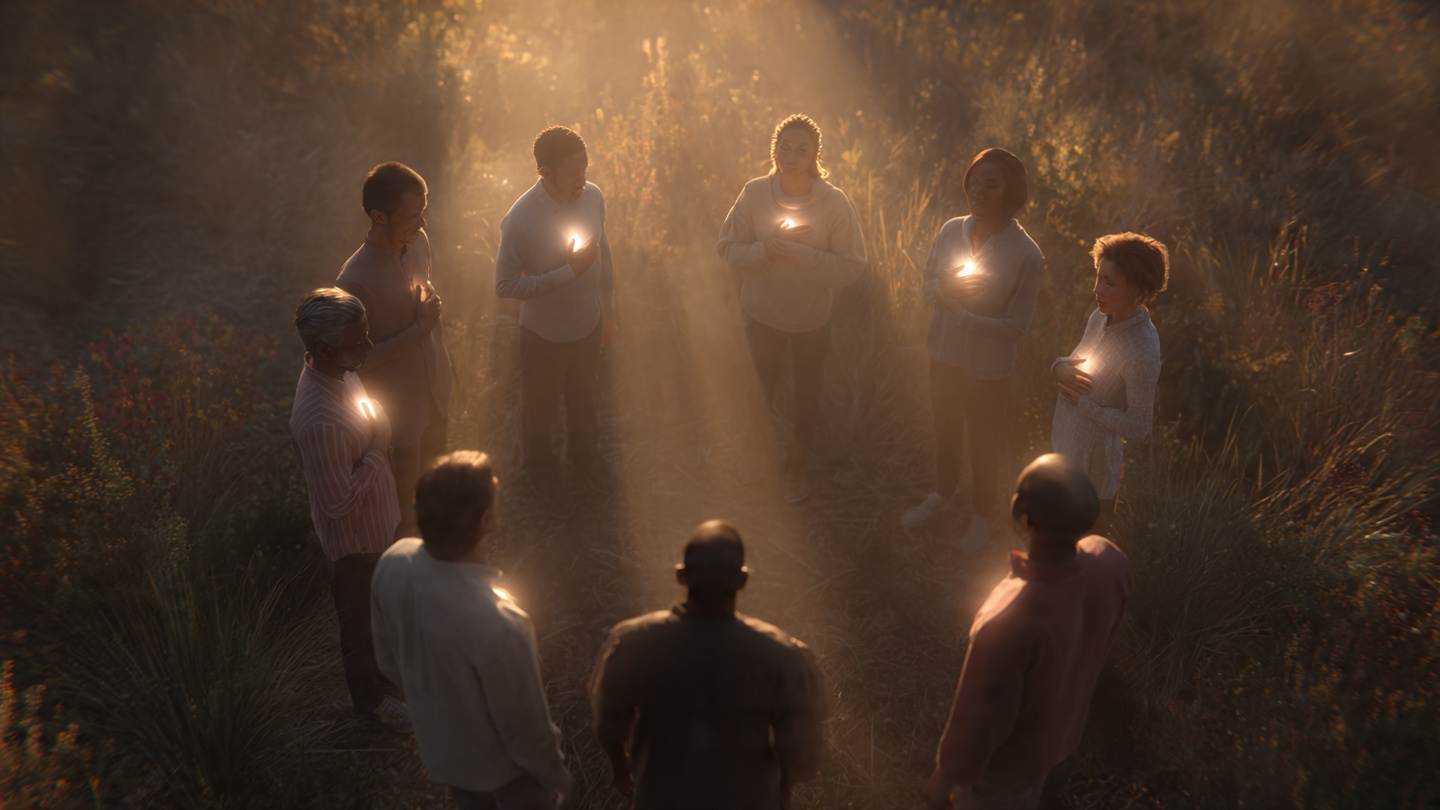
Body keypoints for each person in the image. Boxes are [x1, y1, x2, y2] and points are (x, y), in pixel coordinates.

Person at [923, 454, 1132, 810]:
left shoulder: (1007, 621)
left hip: (1006, 770)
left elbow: (980, 719)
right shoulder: (1110, 562)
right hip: (1061, 737)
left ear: (1025, 519)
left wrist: (944, 780)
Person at [370, 451, 572, 810]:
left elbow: (387, 661)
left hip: (442, 755)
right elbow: (527, 730)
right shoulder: (500, 623)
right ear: (487, 520)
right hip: (510, 779)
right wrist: (556, 778)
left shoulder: (393, 562)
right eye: (495, 491)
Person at [589, 520, 828, 810]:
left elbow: (609, 723)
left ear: (681, 576)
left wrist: (620, 764)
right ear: (743, 580)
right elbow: (799, 752)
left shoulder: (633, 643)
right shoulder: (781, 655)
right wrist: (784, 790)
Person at [717, 114, 867, 503]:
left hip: (810, 321)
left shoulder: (833, 202)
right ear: (774, 149)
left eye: (802, 149)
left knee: (807, 396)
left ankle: (797, 468)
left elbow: (853, 264)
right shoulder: (754, 193)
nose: (792, 155)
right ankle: (755, 459)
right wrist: (765, 251)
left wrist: (802, 255)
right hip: (762, 315)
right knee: (759, 390)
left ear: (815, 155)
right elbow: (727, 248)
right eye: (785, 147)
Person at [903, 148, 1044, 553]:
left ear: (1010, 191)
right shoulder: (951, 231)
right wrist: (946, 289)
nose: (978, 192)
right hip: (944, 356)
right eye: (974, 182)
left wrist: (964, 316)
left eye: (992, 184)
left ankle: (984, 516)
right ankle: (943, 495)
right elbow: (926, 285)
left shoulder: (1026, 254)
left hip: (988, 370)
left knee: (983, 443)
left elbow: (1016, 329)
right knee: (945, 432)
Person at [288, 287, 411, 731]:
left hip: (376, 529)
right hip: (355, 545)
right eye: (358, 341)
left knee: (378, 615)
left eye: (365, 335)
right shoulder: (318, 419)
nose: (369, 347)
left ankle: (386, 680)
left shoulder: (340, 370)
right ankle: (371, 704)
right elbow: (338, 504)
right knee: (358, 629)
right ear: (322, 348)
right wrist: (380, 444)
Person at [495, 126, 616, 518]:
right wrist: (568, 273)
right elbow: (505, 285)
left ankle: (587, 459)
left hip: (588, 324)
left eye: (585, 168)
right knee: (541, 408)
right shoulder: (521, 219)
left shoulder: (593, 195)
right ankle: (542, 473)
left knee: (583, 397)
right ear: (545, 172)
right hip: (543, 335)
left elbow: (605, 251)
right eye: (571, 172)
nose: (582, 179)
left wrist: (608, 309)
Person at [335, 161, 452, 538]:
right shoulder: (354, 281)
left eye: (423, 212)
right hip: (399, 420)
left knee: (439, 490)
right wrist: (417, 332)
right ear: (378, 215)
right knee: (406, 515)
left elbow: (424, 294)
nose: (422, 224)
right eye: (412, 216)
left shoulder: (419, 245)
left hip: (437, 395)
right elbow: (354, 361)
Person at [1050, 233, 1168, 537]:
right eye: (1098, 277)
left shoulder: (1141, 350)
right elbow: (1076, 360)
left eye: (1109, 282)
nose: (1096, 290)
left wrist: (1085, 405)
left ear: (1139, 288)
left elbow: (1140, 428)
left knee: (1087, 547)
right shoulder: (1101, 317)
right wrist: (1059, 367)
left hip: (1094, 468)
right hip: (1066, 445)